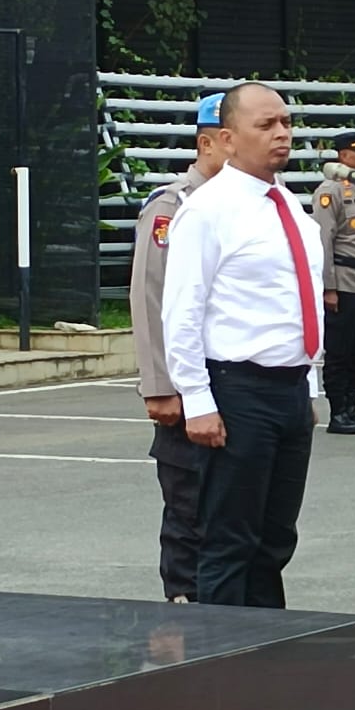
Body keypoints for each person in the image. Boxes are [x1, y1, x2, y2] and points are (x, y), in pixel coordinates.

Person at [161, 81, 322, 608]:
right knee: (230, 538)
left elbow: (299, 301)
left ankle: (265, 652)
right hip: (238, 388)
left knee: (275, 538)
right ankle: (221, 666)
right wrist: (198, 401)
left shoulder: (288, 206)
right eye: (266, 125)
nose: (282, 134)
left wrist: (311, 385)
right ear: (227, 139)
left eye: (286, 123)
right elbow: (181, 310)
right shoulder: (209, 209)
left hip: (289, 389)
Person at [130, 92, 227, 603]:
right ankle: (184, 615)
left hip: (237, 385)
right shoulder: (173, 206)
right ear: (208, 142)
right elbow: (149, 298)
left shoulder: (256, 204)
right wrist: (160, 385)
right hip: (187, 386)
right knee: (190, 507)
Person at [312, 131, 355, 435]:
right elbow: (323, 241)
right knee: (340, 350)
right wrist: (328, 287)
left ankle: (352, 407)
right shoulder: (331, 191)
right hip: (344, 280)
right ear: (343, 156)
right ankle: (339, 410)